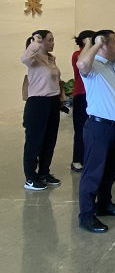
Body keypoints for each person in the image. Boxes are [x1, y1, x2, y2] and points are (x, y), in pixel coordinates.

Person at [76, 30, 115, 233]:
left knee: (111, 170)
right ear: (103, 45)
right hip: (99, 127)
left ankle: (104, 204)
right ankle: (86, 216)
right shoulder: (93, 66)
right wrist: (95, 43)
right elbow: (81, 64)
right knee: (93, 173)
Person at [21, 30, 64, 190]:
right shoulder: (33, 59)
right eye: (50, 40)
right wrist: (35, 43)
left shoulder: (51, 59)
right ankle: (30, 178)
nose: (53, 43)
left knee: (49, 140)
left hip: (52, 102)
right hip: (37, 103)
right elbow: (24, 58)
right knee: (35, 141)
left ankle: (44, 172)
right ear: (41, 42)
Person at [70, 30, 95, 172]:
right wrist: (88, 44)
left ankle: (88, 158)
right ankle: (77, 160)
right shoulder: (77, 54)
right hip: (81, 94)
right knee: (80, 129)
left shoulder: (94, 55)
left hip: (93, 95)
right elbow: (82, 60)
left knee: (91, 129)